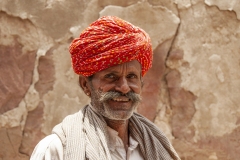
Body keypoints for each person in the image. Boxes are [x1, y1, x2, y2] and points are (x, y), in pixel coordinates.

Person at [30, 16, 181, 160]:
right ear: (85, 85)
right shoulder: (56, 149)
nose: (124, 87)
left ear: (141, 84)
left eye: (131, 77)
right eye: (111, 77)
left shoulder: (154, 145)